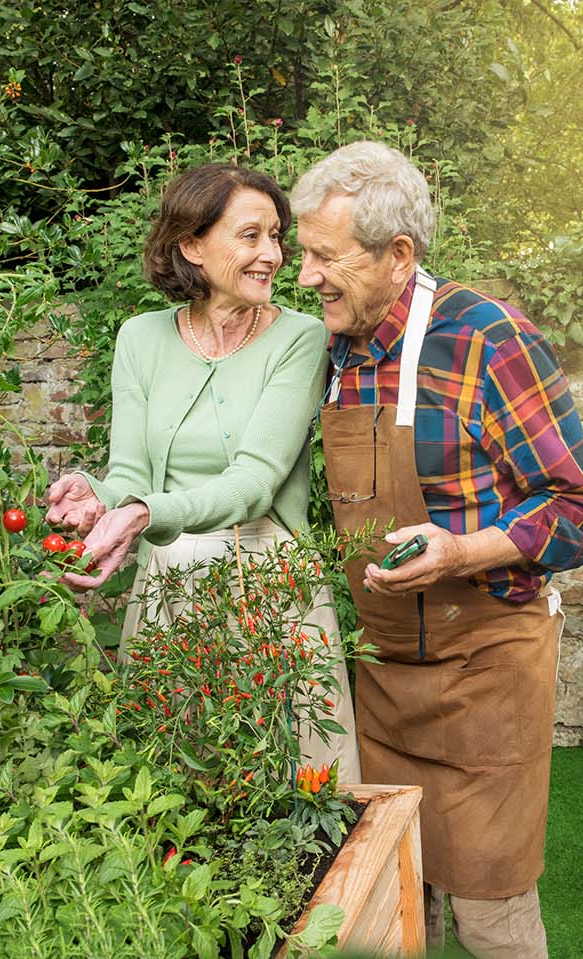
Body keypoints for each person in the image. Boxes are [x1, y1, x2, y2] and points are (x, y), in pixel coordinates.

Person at [290, 141, 583, 959]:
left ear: (399, 255)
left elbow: (576, 509)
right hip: (381, 676)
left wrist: (463, 549)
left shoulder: (487, 340)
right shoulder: (334, 348)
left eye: (326, 257)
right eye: (304, 254)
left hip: (484, 675)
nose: (306, 277)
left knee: (489, 915)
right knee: (393, 905)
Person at [44, 163, 359, 780]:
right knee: (179, 786)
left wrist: (141, 513)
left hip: (270, 583)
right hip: (171, 585)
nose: (271, 254)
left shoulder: (300, 338)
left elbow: (254, 484)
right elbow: (132, 471)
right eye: (250, 236)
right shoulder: (141, 338)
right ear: (191, 245)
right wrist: (96, 495)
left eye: (275, 236)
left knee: (297, 787)